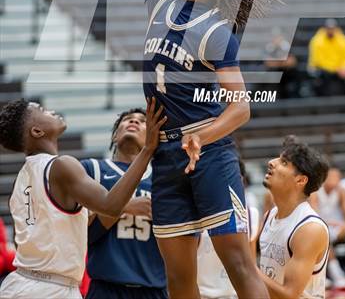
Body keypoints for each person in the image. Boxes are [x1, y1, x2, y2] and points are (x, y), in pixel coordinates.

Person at [104, 0, 273, 299]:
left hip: (208, 151)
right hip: (165, 155)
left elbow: (241, 110)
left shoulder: (216, 33)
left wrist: (205, 135)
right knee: (178, 280)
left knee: (239, 265)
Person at [0, 98, 165, 299]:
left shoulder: (22, 177)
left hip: (21, 283)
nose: (50, 110)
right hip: (51, 288)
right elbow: (111, 206)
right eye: (42, 110)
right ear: (37, 131)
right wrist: (148, 149)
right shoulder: (63, 166)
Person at [80, 107, 167, 299]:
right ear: (114, 136)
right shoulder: (91, 169)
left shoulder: (165, 178)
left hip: (154, 289)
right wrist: (124, 207)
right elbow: (79, 235)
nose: (133, 122)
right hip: (106, 287)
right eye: (127, 119)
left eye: (142, 121)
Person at [258, 137, 330, 299]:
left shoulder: (309, 228)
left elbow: (289, 295)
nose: (271, 162)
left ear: (301, 180)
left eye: (283, 163)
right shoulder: (269, 216)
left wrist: (247, 267)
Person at [196, 160, 260, 299]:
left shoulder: (251, 214)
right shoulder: (193, 215)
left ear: (240, 181)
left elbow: (251, 266)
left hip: (235, 295)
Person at [308, 19, 345, 96]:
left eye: (332, 28)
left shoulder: (344, 40)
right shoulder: (317, 41)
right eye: (328, 28)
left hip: (339, 69)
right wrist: (336, 68)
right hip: (323, 69)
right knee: (318, 77)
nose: (330, 31)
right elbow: (318, 60)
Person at [263, 29, 300, 98]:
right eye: (275, 37)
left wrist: (277, 62)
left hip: (287, 76)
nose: (277, 39)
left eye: (278, 37)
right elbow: (268, 63)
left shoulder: (287, 46)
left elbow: (292, 61)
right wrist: (282, 61)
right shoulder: (269, 48)